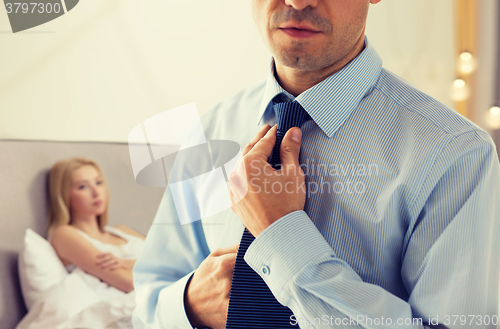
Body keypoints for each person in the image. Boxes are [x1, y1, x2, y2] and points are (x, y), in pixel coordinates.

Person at [132, 0, 500, 328]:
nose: (298, 1)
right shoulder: (212, 129)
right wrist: (188, 306)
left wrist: (280, 233)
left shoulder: (456, 154)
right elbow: (148, 300)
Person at [46, 157, 146, 293]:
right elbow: (129, 282)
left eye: (99, 183)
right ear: (64, 195)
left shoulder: (122, 230)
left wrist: (130, 263)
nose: (96, 192)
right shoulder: (64, 235)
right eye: (83, 186)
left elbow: (178, 256)